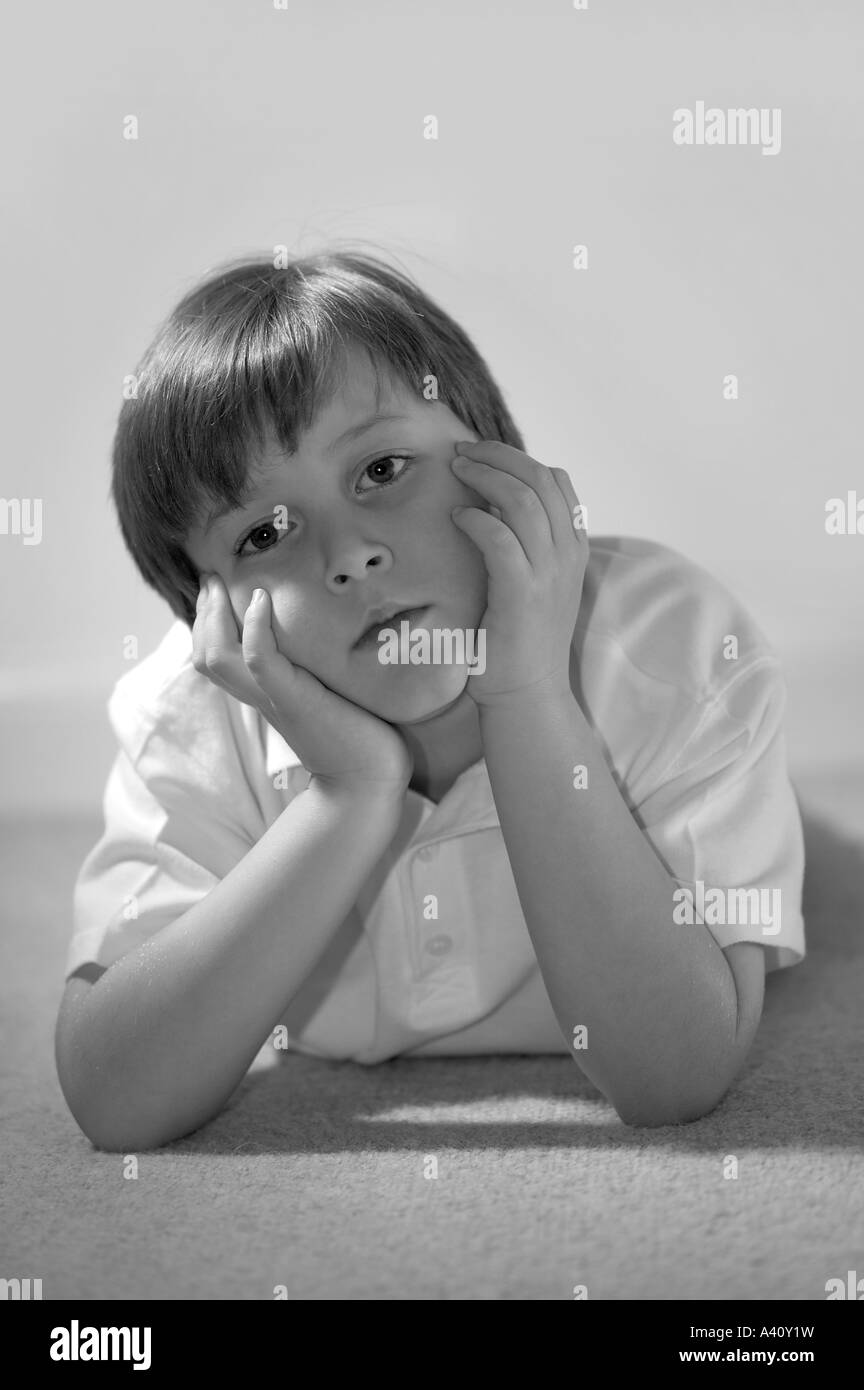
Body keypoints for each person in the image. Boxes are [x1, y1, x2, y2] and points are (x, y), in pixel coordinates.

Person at [54, 250, 805, 1150]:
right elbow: (115, 1102)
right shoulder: (191, 717)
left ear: (498, 458)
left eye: (380, 471)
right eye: (263, 533)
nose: (348, 554)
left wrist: (526, 695)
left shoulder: (676, 650)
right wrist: (347, 793)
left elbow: (674, 1075)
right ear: (205, 616)